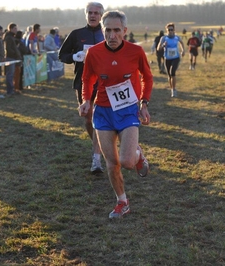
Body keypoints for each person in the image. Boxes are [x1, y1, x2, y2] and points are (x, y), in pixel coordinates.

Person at [79, 10, 153, 219]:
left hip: (128, 109)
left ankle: (138, 156)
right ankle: (122, 202)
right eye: (108, 31)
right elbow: (87, 79)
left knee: (127, 161)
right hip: (102, 111)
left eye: (117, 31)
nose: (112, 36)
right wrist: (86, 100)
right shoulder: (94, 53)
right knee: (112, 164)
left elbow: (147, 77)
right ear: (103, 30)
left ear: (125, 31)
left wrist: (144, 103)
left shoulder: (136, 51)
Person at [59, 2, 105, 174]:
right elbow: (61, 55)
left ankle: (97, 159)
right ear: (86, 14)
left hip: (105, 84)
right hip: (83, 82)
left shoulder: (107, 33)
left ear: (101, 15)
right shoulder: (76, 34)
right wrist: (74, 56)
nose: (93, 15)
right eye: (90, 12)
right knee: (88, 119)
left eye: (96, 13)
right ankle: (101, 146)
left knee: (101, 120)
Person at [157, 23, 185, 97]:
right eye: (168, 30)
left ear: (174, 30)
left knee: (172, 72)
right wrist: (163, 45)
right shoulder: (163, 38)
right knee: (169, 76)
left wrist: (183, 50)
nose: (170, 31)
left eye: (171, 29)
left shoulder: (177, 37)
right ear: (166, 30)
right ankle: (172, 88)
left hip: (176, 58)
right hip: (167, 58)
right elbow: (158, 48)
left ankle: (174, 90)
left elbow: (181, 43)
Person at [3, 22, 22, 95]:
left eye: (16, 28)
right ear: (10, 29)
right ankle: (9, 91)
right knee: (10, 75)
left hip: (13, 58)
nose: (16, 30)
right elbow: (8, 48)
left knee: (13, 75)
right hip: (10, 58)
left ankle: (12, 89)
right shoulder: (8, 37)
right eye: (15, 28)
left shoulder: (12, 37)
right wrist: (15, 54)